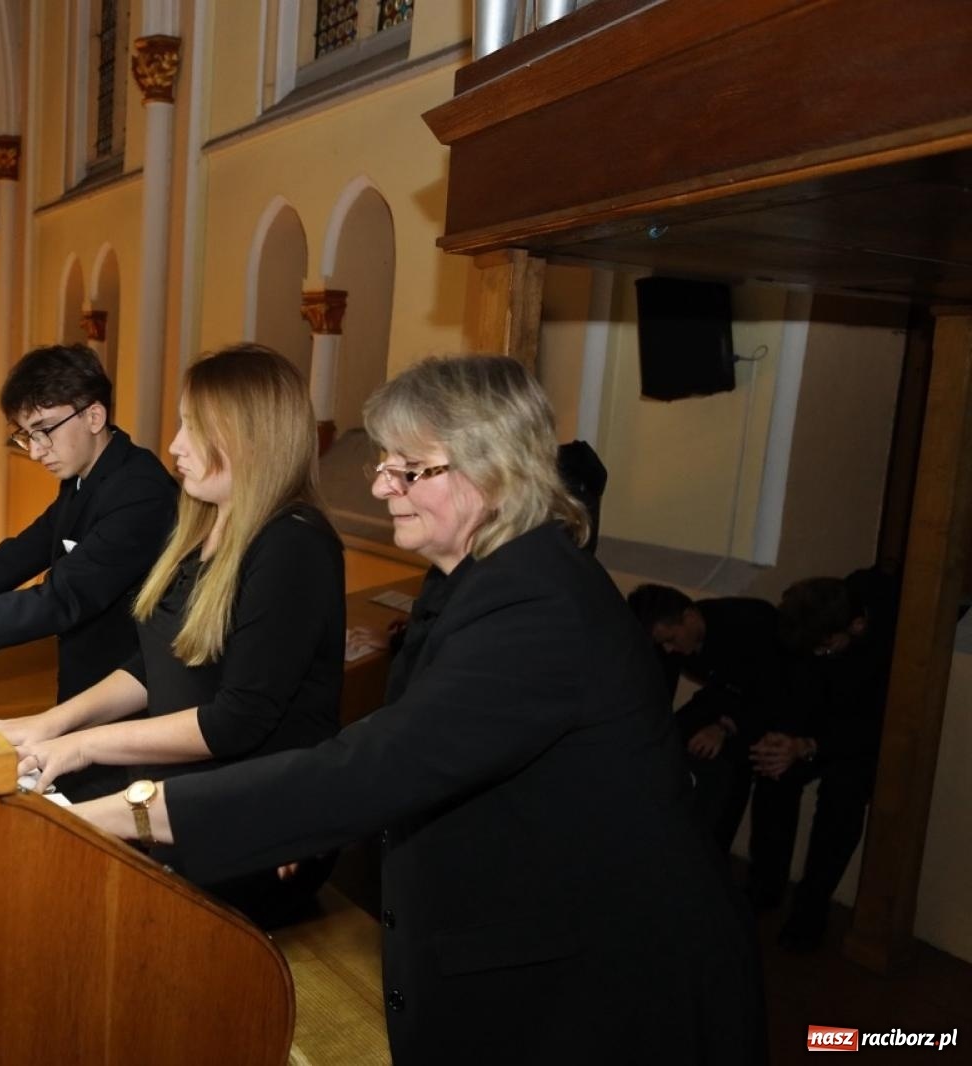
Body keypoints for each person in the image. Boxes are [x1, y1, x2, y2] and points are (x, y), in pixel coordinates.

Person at [70, 355, 761, 1065]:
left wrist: (127, 814)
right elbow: (415, 735)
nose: (379, 485)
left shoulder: (538, 606)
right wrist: (311, 817)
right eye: (383, 462)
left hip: (612, 990)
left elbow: (379, 765)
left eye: (409, 469)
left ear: (491, 470)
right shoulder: (476, 579)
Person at [0, 344, 345, 927]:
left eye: (194, 427)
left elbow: (235, 721)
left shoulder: (293, 545)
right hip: (168, 799)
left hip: (250, 824)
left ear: (249, 437)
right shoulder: (200, 525)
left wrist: (83, 745)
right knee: (11, 863)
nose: (175, 444)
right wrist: (49, 725)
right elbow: (151, 665)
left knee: (39, 883)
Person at [0, 344, 178, 703]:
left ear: (93, 417)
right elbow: (16, 556)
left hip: (127, 699)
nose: (35, 450)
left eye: (44, 430)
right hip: (85, 686)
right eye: (27, 434)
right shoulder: (85, 478)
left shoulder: (141, 492)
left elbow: (61, 600)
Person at [748, 569, 895, 952]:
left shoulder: (889, 643)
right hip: (818, 723)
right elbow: (800, 682)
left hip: (862, 738)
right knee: (773, 771)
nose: (818, 655)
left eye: (826, 648)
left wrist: (810, 744)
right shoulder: (818, 628)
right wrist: (785, 738)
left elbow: (876, 724)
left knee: (842, 799)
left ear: (858, 626)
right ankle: (764, 888)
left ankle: (810, 911)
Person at [627, 583, 784, 852]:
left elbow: (768, 692)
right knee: (669, 739)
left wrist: (724, 727)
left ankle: (712, 853)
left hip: (770, 705)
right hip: (722, 695)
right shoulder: (674, 643)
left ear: (689, 617)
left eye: (670, 640)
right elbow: (660, 691)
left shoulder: (749, 625)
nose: (667, 649)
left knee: (729, 766)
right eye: (660, 643)